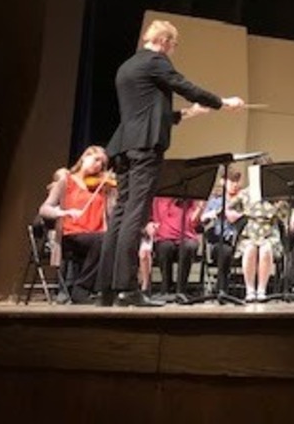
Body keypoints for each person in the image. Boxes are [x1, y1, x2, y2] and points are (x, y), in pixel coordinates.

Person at [97, 19, 244, 308]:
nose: (172, 51)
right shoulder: (156, 61)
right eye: (174, 45)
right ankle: (127, 288)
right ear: (165, 40)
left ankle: (108, 290)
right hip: (144, 147)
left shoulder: (127, 66)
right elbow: (184, 86)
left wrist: (188, 115)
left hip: (123, 145)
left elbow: (147, 111)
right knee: (135, 214)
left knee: (121, 214)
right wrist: (222, 102)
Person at [38, 146, 114, 304]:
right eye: (96, 160)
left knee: (109, 240)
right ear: (85, 157)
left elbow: (113, 213)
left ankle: (88, 288)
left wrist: (112, 193)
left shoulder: (103, 186)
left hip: (97, 235)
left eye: (102, 163)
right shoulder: (66, 181)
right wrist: (62, 213)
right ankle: (81, 288)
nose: (99, 165)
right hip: (71, 235)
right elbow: (45, 209)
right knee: (102, 241)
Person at [200, 168, 247, 297]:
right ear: (222, 182)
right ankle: (222, 288)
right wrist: (216, 213)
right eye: (231, 181)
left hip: (241, 242)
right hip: (220, 242)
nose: (235, 184)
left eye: (236, 181)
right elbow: (203, 219)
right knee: (224, 251)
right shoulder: (215, 201)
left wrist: (239, 215)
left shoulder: (243, 199)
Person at [150, 196, 204, 300]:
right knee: (165, 247)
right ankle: (165, 289)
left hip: (186, 236)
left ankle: (181, 290)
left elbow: (193, 222)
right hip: (165, 237)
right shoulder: (159, 198)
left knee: (189, 247)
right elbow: (154, 218)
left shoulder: (189, 199)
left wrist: (200, 209)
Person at [238, 195, 290, 302]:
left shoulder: (275, 194)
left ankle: (262, 290)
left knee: (265, 249)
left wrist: (278, 204)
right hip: (250, 234)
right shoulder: (246, 194)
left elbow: (284, 215)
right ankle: (250, 290)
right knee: (250, 249)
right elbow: (232, 208)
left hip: (270, 234)